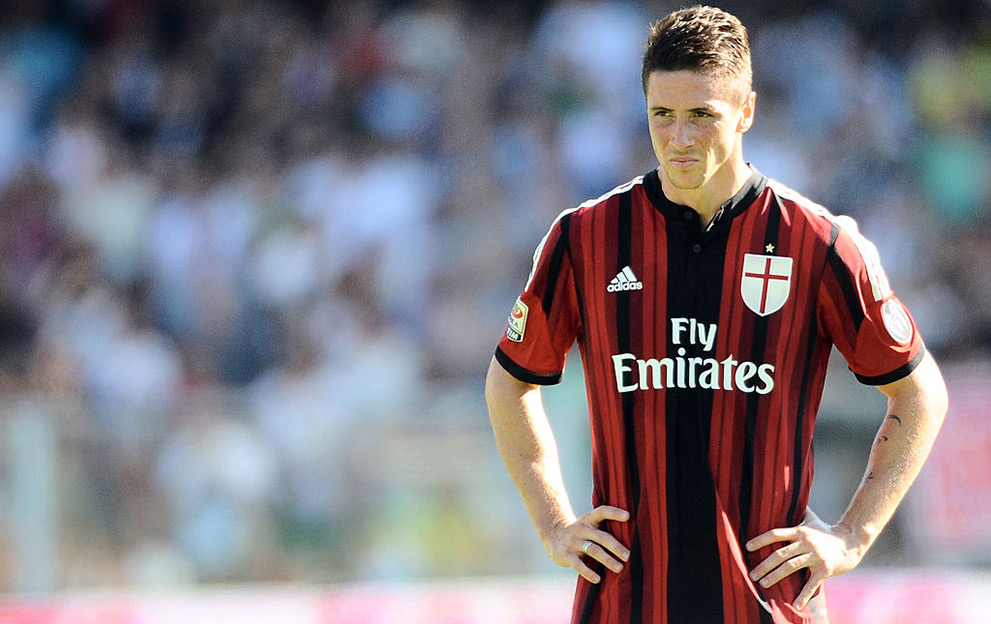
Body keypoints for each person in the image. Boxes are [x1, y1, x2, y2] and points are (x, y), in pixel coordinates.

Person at [484, 5, 948, 624]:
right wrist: (553, 523)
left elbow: (920, 396)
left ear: (746, 110)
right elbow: (509, 382)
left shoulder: (817, 244)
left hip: (766, 609)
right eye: (662, 115)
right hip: (625, 608)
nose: (679, 137)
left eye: (702, 115)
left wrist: (851, 537)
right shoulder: (586, 239)